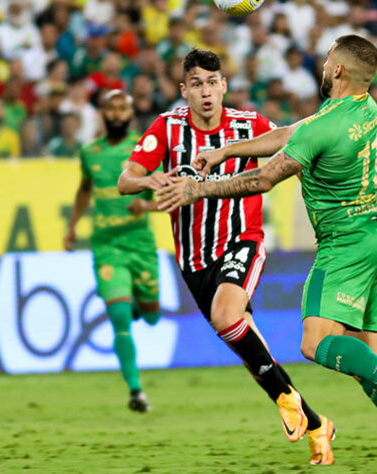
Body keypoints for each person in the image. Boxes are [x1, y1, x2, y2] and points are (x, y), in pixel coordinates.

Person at [157, 36, 377, 473]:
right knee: (362, 362)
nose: (323, 65)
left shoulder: (321, 128)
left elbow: (263, 180)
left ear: (339, 72)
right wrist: (225, 151)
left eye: (328, 60)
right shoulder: (364, 110)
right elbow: (290, 134)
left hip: (345, 246)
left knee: (315, 343)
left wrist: (198, 189)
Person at [118, 49, 335, 465]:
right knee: (251, 355)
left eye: (212, 83)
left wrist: (324, 130)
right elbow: (125, 179)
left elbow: (292, 136)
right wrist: (151, 179)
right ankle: (313, 422)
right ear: (184, 90)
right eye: (196, 83)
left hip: (242, 240)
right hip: (194, 260)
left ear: (224, 87)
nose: (205, 92)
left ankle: (292, 405)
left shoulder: (247, 125)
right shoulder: (167, 128)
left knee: (225, 316)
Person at [64, 90, 161, 412]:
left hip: (140, 242)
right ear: (102, 113)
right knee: (118, 315)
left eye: (123, 107)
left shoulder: (145, 147)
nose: (117, 113)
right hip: (106, 244)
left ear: (131, 113)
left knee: (151, 316)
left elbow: (172, 190)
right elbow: (84, 189)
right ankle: (136, 392)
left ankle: (137, 306)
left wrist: (145, 205)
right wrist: (72, 225)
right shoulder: (89, 152)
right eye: (111, 108)